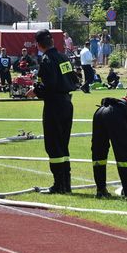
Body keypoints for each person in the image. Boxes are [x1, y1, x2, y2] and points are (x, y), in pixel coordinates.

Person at [26, 29, 79, 194]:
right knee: (63, 144)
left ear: (38, 45)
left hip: (54, 106)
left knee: (53, 145)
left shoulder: (46, 60)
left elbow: (48, 85)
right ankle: (66, 184)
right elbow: (74, 79)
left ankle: (58, 185)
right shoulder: (63, 57)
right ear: (52, 42)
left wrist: (35, 91)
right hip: (67, 103)